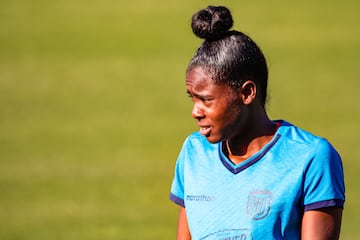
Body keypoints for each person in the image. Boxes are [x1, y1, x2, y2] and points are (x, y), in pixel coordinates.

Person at [169, 5, 345, 240]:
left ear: (247, 92)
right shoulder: (194, 153)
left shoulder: (311, 157)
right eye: (193, 99)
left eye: (206, 100)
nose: (195, 112)